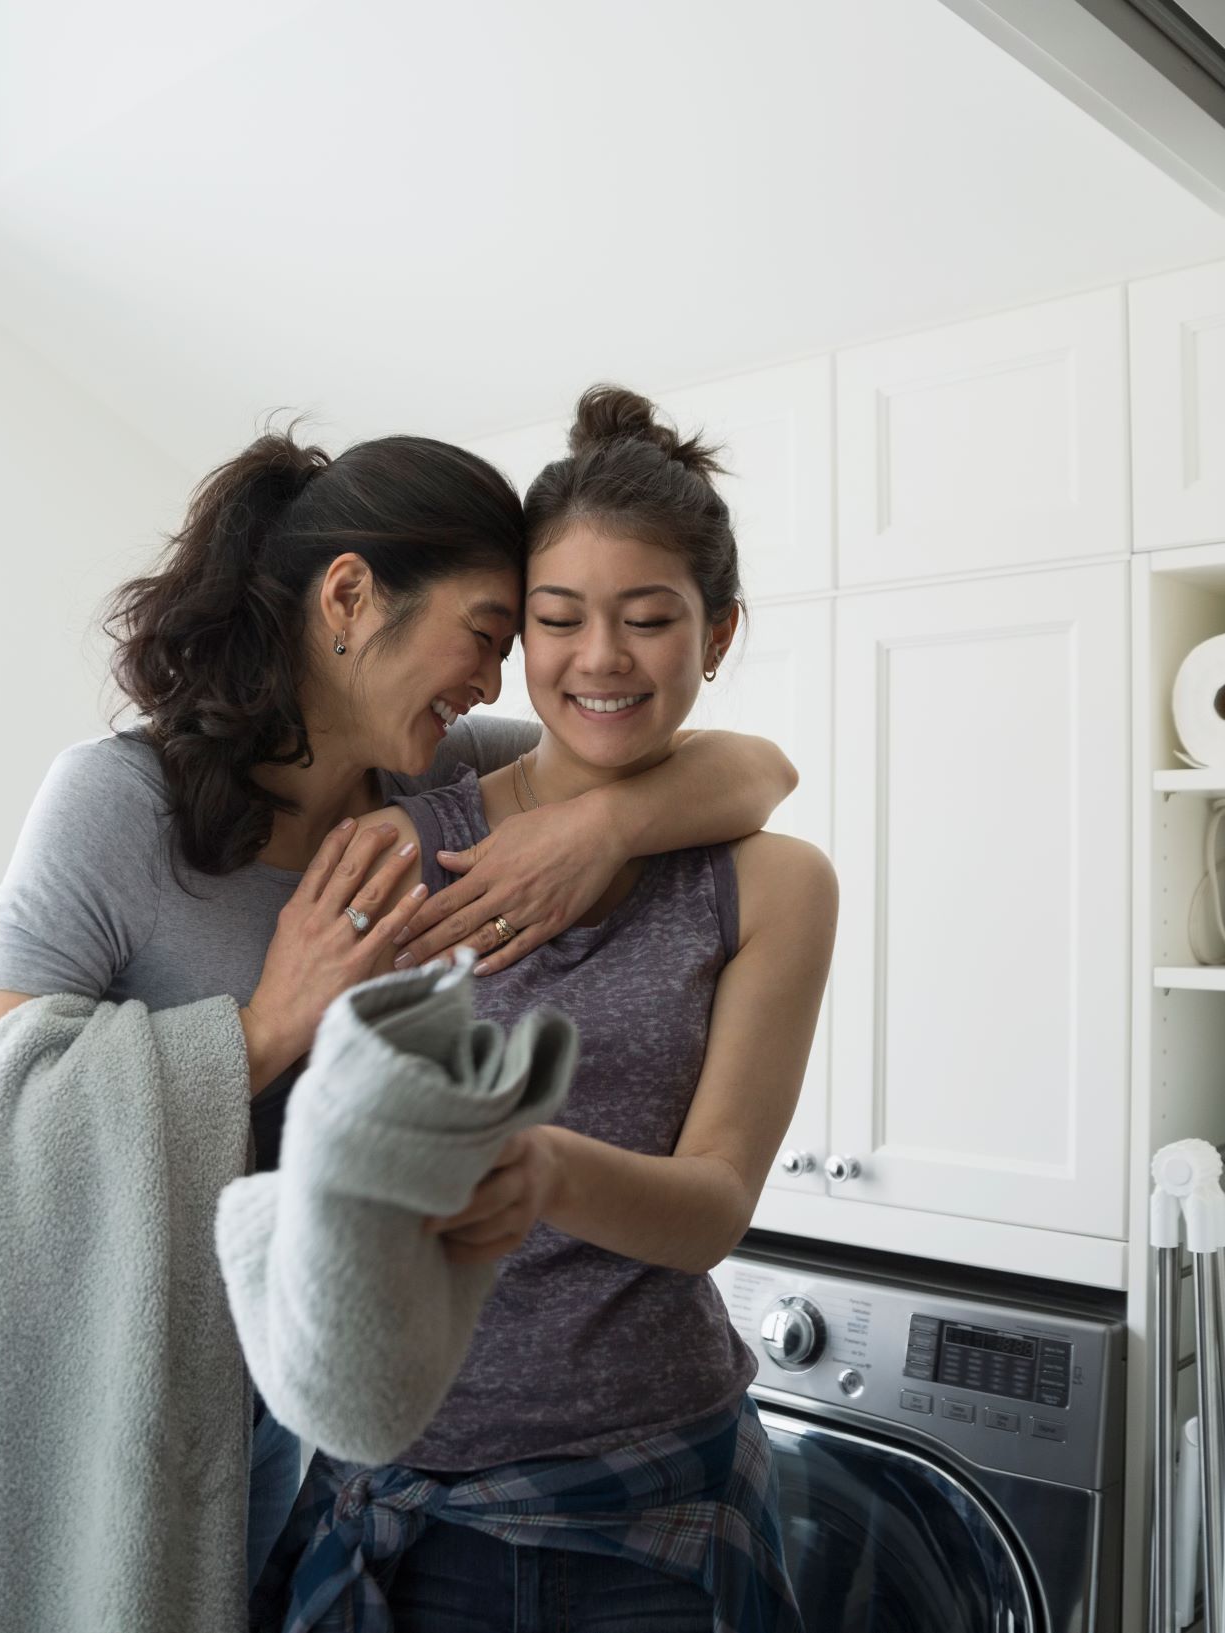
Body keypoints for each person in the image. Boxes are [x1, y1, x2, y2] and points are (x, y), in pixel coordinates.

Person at [0, 424, 802, 1594]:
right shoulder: (115, 802)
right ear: (349, 597)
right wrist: (265, 1028)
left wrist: (605, 824)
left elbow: (731, 764)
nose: (499, 681)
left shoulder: (434, 782)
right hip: (161, 1373)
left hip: (322, 1403)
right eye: (496, 632)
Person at [257, 387, 839, 1633]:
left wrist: (538, 1166)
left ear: (718, 633)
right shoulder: (394, 847)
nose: (600, 659)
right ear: (518, 638)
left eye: (648, 619)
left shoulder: (773, 885)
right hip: (396, 1494)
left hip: (652, 1503)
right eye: (559, 618)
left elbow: (712, 1208)